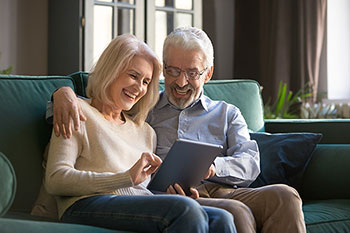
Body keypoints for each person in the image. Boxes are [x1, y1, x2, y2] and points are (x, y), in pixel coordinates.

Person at [50, 27, 306, 233]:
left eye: (192, 73)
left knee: (285, 195)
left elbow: (250, 163)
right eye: (172, 71)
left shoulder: (226, 113)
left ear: (208, 74)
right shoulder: (143, 110)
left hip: (225, 188)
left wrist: (214, 168)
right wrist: (62, 93)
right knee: (233, 212)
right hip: (167, 195)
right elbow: (97, 107)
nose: (181, 82)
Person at [45, 33, 236, 233]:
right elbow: (56, 179)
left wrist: (174, 194)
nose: (139, 88)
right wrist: (125, 177)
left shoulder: (146, 132)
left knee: (221, 218)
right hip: (84, 204)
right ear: (111, 70)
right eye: (133, 76)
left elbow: (143, 192)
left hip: (133, 205)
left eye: (146, 82)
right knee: (185, 210)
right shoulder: (76, 111)